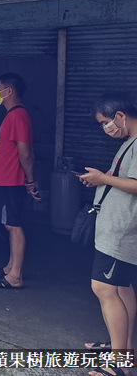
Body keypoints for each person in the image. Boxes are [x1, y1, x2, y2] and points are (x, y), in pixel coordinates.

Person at [79, 93, 137, 376]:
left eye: (105, 123)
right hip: (118, 229)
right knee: (123, 288)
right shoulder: (129, 142)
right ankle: (122, 349)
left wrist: (102, 178)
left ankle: (118, 365)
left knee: (103, 288)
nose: (105, 129)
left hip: (121, 233)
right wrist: (100, 182)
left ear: (120, 116)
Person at [0, 73, 40, 289]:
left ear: (9, 91)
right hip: (3, 180)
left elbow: (25, 152)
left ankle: (15, 275)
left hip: (10, 180)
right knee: (9, 225)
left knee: (14, 225)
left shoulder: (18, 116)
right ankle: (10, 266)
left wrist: (30, 179)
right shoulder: (12, 116)